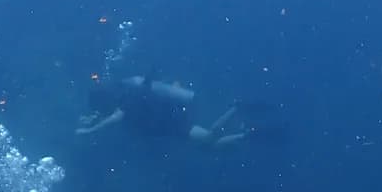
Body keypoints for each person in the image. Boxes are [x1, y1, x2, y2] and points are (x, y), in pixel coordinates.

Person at [76, 73, 255, 148]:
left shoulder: (125, 104)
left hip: (173, 122)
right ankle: (245, 134)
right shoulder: (126, 92)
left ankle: (235, 108)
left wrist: (90, 130)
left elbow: (113, 118)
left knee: (209, 138)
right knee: (211, 145)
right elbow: (108, 115)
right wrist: (90, 120)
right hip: (171, 119)